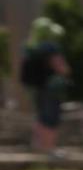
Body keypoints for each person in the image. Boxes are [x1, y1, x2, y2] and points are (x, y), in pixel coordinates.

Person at [19, 17, 71, 154]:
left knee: (41, 116)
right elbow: (61, 67)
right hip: (51, 88)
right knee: (51, 117)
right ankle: (49, 149)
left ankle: (39, 146)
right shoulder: (50, 46)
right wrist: (65, 71)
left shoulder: (30, 47)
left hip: (36, 88)